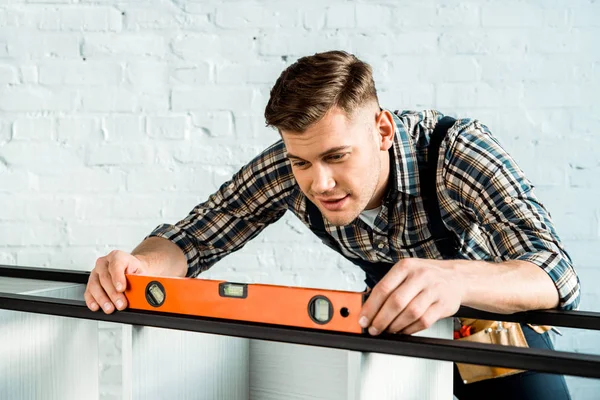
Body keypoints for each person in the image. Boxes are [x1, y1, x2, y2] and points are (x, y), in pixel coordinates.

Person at [84, 50, 579, 399]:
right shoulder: (289, 166)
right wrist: (140, 264)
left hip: (493, 332)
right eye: (302, 162)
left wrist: (452, 278)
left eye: (337, 156)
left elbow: (556, 271)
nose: (319, 183)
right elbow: (196, 236)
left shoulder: (456, 152)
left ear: (382, 130)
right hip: (391, 332)